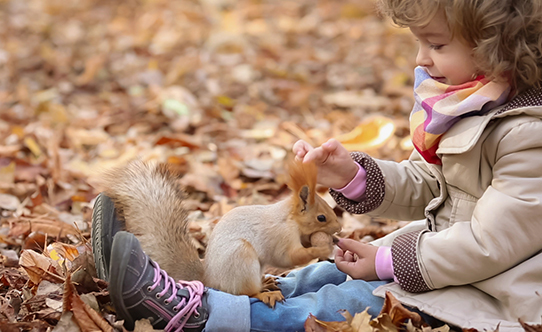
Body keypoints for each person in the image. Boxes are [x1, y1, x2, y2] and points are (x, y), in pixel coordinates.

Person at [96, 0, 542, 331]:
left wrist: (389, 261)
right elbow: (433, 185)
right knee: (325, 270)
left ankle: (204, 318)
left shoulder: (528, 136)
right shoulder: (476, 107)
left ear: (497, 48)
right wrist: (355, 177)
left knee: (346, 298)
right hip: (444, 263)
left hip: (490, 292)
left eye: (436, 45)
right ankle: (205, 293)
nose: (421, 59)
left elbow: (489, 245)